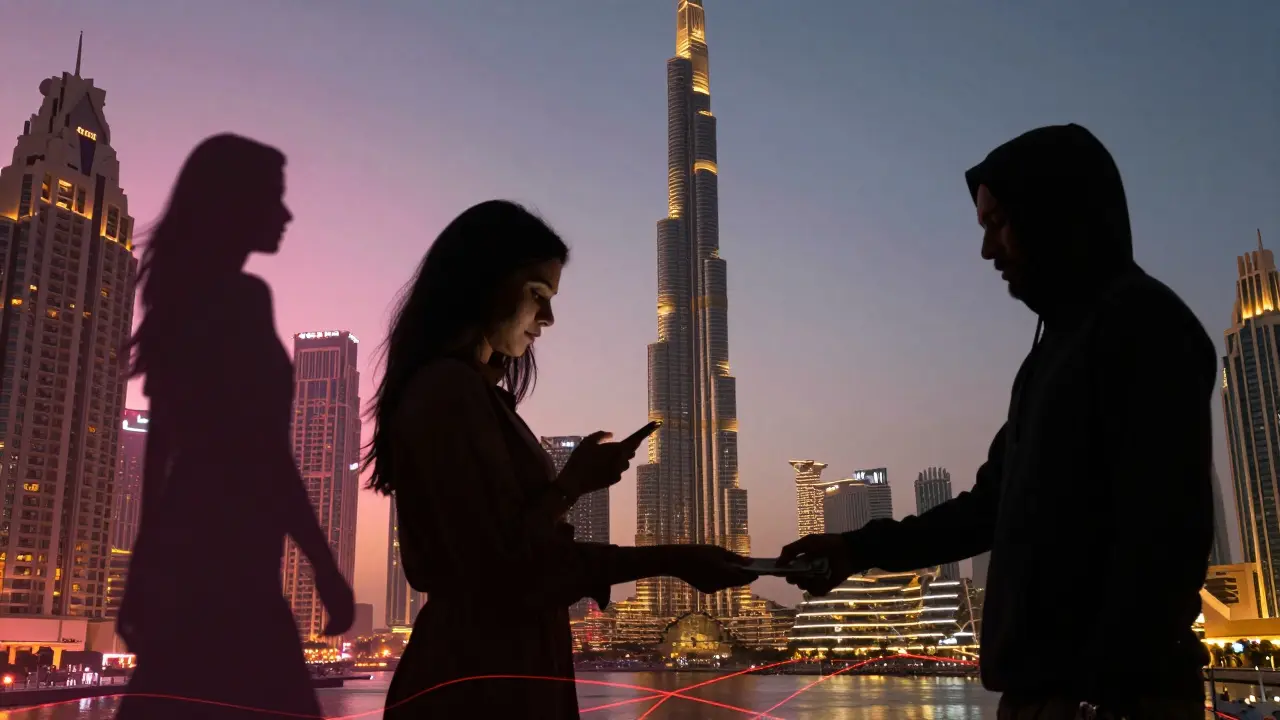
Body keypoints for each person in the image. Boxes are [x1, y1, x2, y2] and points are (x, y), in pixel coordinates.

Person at [778, 124, 1216, 720]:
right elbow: (988, 509)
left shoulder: (1144, 326)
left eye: (998, 224)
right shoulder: (1049, 356)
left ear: (1055, 215)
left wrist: (1096, 691)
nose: (988, 252)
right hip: (1047, 696)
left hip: (1108, 700)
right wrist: (856, 549)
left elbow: (1164, 535)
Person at [365, 200, 758, 719]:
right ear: (483, 283)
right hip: (482, 681)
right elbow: (501, 565)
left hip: (499, 665)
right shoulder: (447, 391)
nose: (548, 318)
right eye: (537, 295)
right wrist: (669, 556)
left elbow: (511, 543)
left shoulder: (472, 394)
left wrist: (576, 487)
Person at [116, 134, 354, 719]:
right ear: (233, 204)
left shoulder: (181, 300)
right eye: (273, 198)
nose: (286, 214)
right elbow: (265, 453)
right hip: (231, 560)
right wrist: (324, 566)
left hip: (189, 552)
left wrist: (143, 570)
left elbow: (162, 452)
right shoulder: (241, 298)